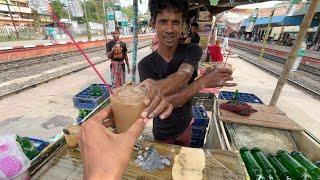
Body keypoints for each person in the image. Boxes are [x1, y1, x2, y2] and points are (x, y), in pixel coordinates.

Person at [138, 0, 236, 146]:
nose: (170, 29)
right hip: (161, 131)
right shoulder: (145, 64)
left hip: (185, 126)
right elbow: (156, 102)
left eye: (175, 22)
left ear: (183, 25)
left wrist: (157, 92)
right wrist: (203, 81)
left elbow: (184, 75)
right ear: (153, 23)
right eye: (163, 21)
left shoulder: (192, 49)